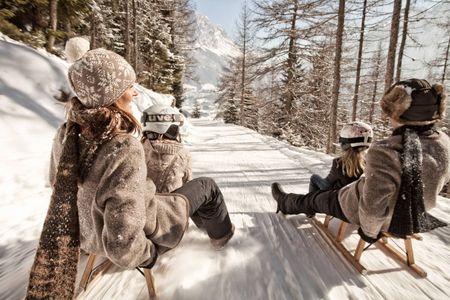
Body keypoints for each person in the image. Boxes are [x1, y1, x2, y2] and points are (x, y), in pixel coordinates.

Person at [26, 48, 234, 299]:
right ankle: (223, 237)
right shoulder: (122, 146)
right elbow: (123, 241)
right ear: (111, 94)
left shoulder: (66, 134)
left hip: (86, 233)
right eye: (129, 86)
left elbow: (56, 184)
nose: (135, 92)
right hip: (149, 227)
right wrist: (149, 255)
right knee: (206, 187)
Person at [271, 78, 449, 244]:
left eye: (391, 113)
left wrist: (370, 233)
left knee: (314, 198)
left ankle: (284, 202)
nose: (389, 118)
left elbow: (371, 208)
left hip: (360, 208)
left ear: (400, 114)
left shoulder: (387, 150)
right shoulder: (444, 143)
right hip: (412, 216)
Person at [308, 121, 372, 193]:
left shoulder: (339, 163)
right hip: (359, 199)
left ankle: (309, 202)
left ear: (345, 144)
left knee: (314, 178)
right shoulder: (371, 164)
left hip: (341, 199)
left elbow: (327, 186)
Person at [141, 104, 192, 193]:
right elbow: (188, 185)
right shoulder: (183, 154)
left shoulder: (137, 151)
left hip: (143, 205)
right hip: (173, 205)